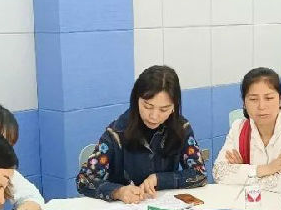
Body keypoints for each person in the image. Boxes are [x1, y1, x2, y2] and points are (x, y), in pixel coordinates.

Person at [77, 65, 206, 202]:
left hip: (163, 207)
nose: (154, 116)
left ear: (174, 107)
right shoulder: (116, 133)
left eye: (164, 110)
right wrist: (118, 192)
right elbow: (84, 180)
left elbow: (199, 174)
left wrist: (159, 179)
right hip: (124, 209)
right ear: (136, 100)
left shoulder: (181, 128)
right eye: (147, 106)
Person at [213, 67, 281, 194]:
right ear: (244, 103)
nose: (261, 106)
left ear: (280, 99)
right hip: (250, 203)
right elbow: (219, 173)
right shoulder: (239, 128)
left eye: (269, 98)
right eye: (253, 99)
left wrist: (241, 171)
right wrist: (265, 169)